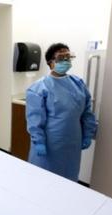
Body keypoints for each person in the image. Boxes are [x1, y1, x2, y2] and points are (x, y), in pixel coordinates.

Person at [26, 43, 97, 182]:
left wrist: (88, 134)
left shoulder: (78, 83)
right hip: (50, 144)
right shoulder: (39, 88)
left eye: (68, 57)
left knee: (69, 180)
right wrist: (39, 142)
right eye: (61, 58)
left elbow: (87, 112)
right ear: (50, 62)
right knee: (44, 181)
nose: (65, 61)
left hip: (72, 143)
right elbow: (35, 121)